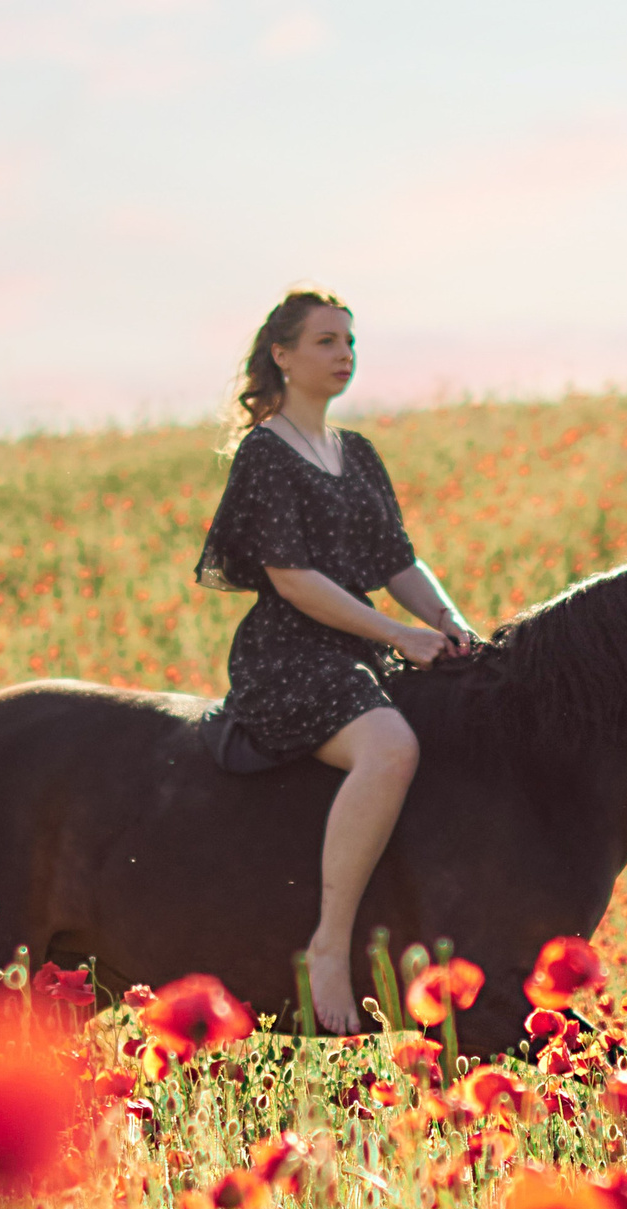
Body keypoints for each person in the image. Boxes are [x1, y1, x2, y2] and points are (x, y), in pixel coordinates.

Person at [193, 289, 482, 1035]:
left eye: (349, 340)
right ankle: (328, 945)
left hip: (357, 649)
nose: (344, 353)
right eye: (325, 341)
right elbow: (291, 579)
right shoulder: (266, 452)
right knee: (391, 748)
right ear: (281, 355)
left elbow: (399, 561)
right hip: (289, 653)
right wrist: (397, 635)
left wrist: (451, 627)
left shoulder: (358, 453)